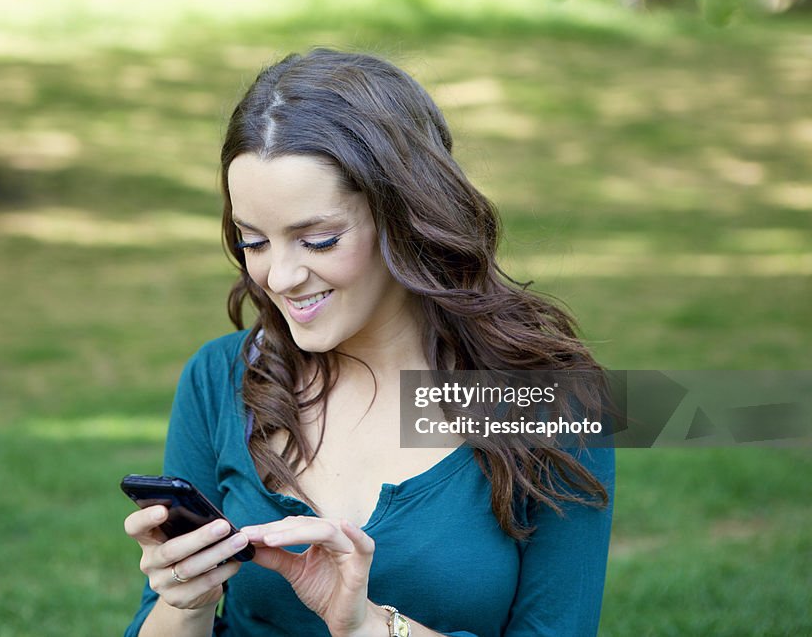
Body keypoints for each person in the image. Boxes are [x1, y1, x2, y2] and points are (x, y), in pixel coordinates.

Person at [122, 48, 614, 637]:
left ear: (407, 216)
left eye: (320, 240)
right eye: (254, 241)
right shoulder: (217, 379)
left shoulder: (552, 403)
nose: (279, 278)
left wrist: (367, 625)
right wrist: (185, 602)